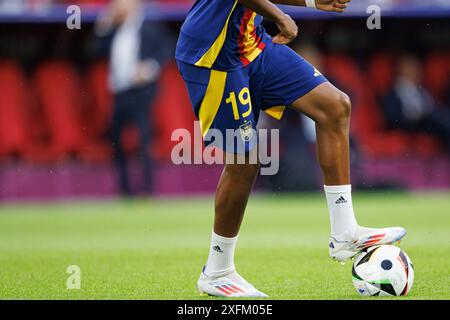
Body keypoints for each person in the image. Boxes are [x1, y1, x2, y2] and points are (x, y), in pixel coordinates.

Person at [176, 0, 406, 298]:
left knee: (335, 106)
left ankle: (345, 232)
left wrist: (309, 2)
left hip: (253, 45)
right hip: (213, 55)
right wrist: (280, 16)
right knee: (245, 160)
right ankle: (217, 272)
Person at [95, 0, 168, 196]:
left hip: (141, 91)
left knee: (144, 140)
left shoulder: (150, 27)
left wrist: (149, 69)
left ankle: (147, 189)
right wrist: (103, 27)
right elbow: (96, 52)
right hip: (119, 92)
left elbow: (164, 53)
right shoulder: (113, 30)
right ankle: (124, 189)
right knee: (116, 141)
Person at [382, 54, 450, 151]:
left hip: (429, 119)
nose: (416, 71)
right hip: (412, 123)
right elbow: (393, 117)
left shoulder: (420, 89)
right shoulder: (394, 91)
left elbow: (431, 106)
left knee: (443, 115)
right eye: (411, 68)